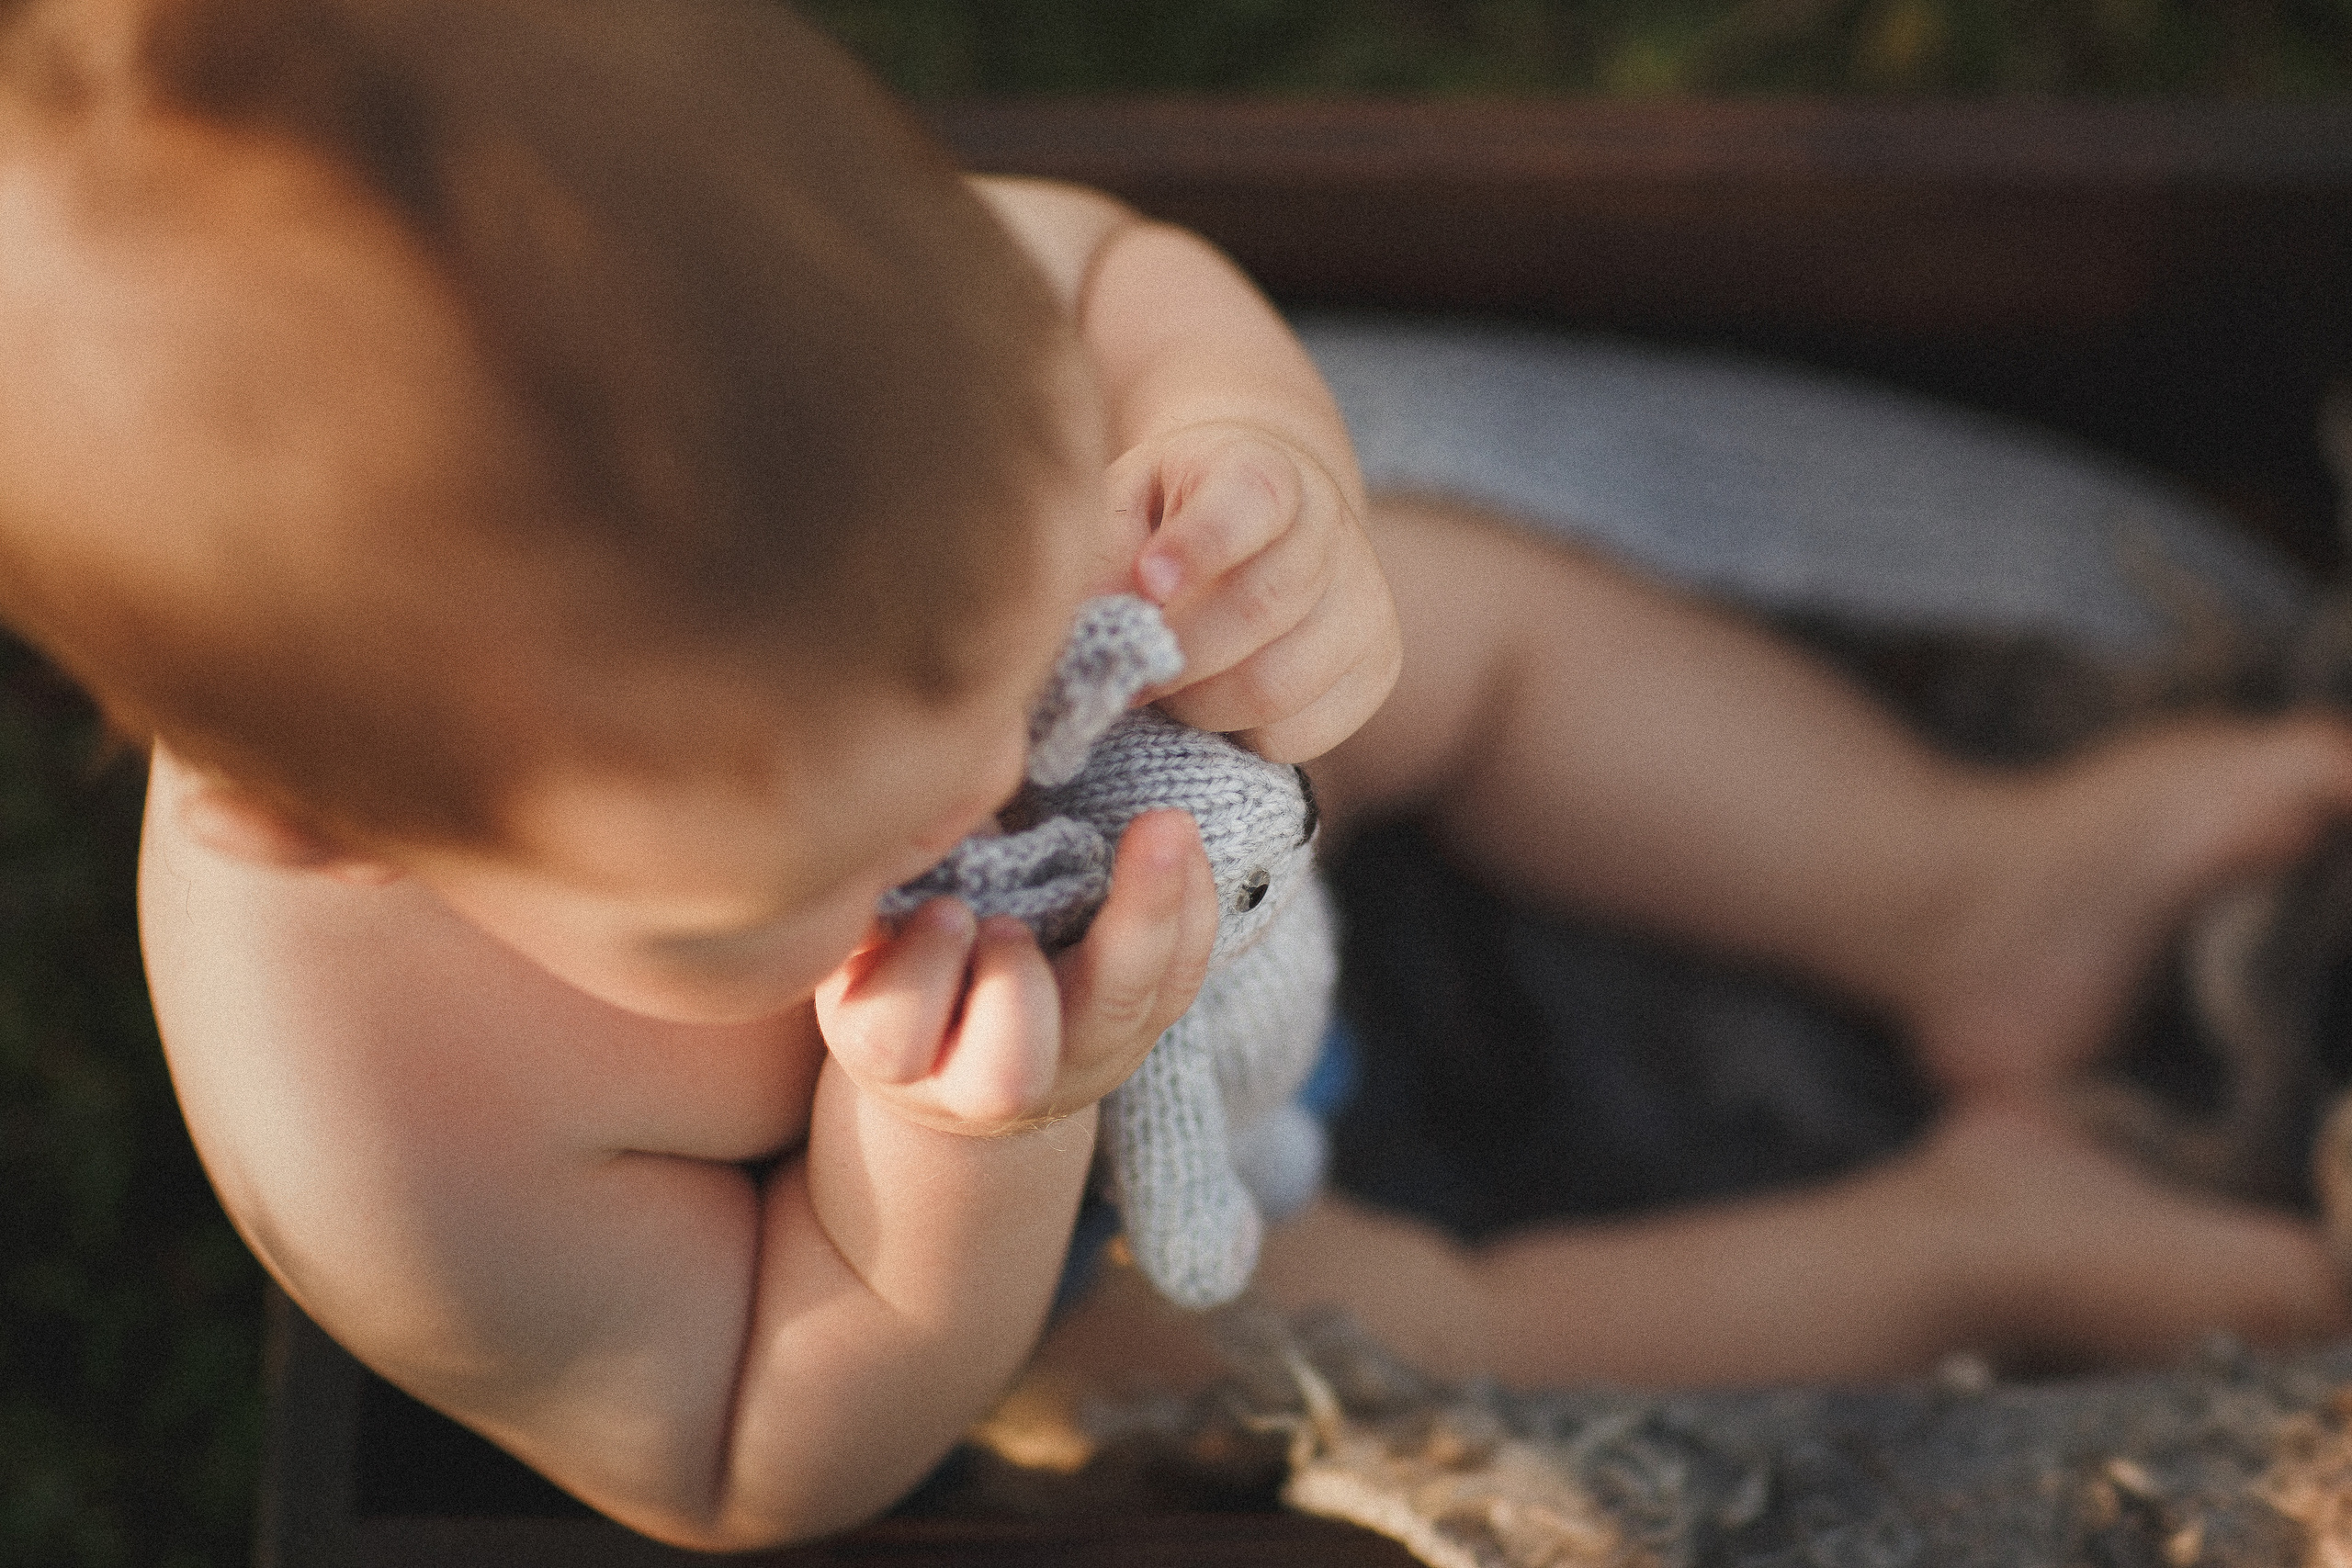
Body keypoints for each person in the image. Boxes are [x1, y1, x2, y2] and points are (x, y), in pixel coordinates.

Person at [1, 0, 2347, 1551]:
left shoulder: (857, 315)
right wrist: (963, 1149)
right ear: (324, 825)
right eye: (798, 858)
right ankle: (1958, 1249)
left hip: (1270, 822)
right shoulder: (379, 1125)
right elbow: (739, 1450)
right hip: (1107, 1234)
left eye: (999, 640)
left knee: (1468, 612)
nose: (972, 799)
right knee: (1336, 1339)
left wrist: (1245, 455)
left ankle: (1951, 883)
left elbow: (1120, 266)